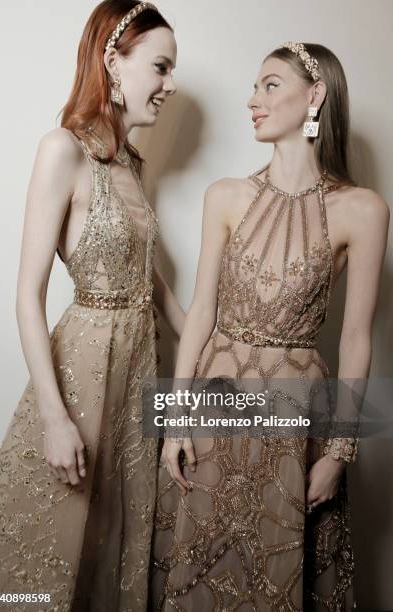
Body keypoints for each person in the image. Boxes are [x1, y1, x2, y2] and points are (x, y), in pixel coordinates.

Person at [150, 42, 390, 610]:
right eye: (255, 88)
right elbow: (202, 313)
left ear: (316, 95)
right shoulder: (225, 196)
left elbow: (357, 338)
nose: (252, 100)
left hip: (296, 419)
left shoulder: (363, 209)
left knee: (278, 574)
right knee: (201, 568)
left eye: (269, 85)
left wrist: (338, 452)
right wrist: (176, 421)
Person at [0, 1, 185, 610]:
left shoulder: (131, 164)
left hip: (137, 378)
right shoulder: (62, 150)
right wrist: (53, 417)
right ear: (113, 63)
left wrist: (213, 355)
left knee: (113, 548)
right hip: (80, 377)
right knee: (49, 553)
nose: (170, 85)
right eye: (160, 66)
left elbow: (154, 287)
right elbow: (27, 296)